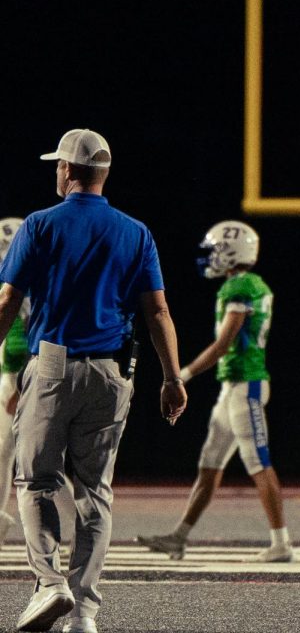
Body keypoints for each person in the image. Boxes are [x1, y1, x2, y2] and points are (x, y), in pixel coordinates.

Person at [0, 129, 187, 633]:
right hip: (111, 370)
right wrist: (172, 377)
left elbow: (7, 302)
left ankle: (49, 583)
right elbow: (159, 311)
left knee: (35, 479)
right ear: (103, 174)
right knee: (95, 492)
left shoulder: (40, 224)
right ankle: (84, 612)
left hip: (56, 362)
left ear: (66, 170)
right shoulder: (135, 231)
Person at [136, 220, 292, 562]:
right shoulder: (252, 284)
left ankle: (281, 543)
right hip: (233, 386)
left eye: (215, 251)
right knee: (210, 463)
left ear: (231, 252)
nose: (210, 258)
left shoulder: (240, 287)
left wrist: (183, 374)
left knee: (258, 462)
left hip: (246, 384)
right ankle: (179, 536)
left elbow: (224, 344)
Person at [0, 216, 31, 547]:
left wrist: (21, 383)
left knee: (15, 454)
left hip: (18, 376)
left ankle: (75, 520)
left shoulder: (24, 284)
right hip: (9, 375)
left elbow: (31, 333)